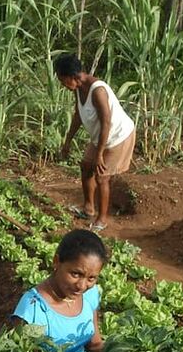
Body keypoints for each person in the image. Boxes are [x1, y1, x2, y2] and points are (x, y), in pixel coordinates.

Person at [10, 229, 107, 352]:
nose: (81, 286)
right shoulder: (33, 309)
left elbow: (94, 345)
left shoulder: (89, 294)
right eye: (75, 274)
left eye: (91, 278)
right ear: (56, 261)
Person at [54, 53, 136, 234]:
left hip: (117, 136)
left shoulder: (98, 90)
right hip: (100, 137)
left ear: (71, 76)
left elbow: (106, 121)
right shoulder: (77, 89)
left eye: (62, 80)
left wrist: (99, 154)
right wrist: (67, 140)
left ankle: (102, 219)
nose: (62, 85)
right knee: (85, 166)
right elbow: (78, 115)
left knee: (101, 176)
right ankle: (88, 209)